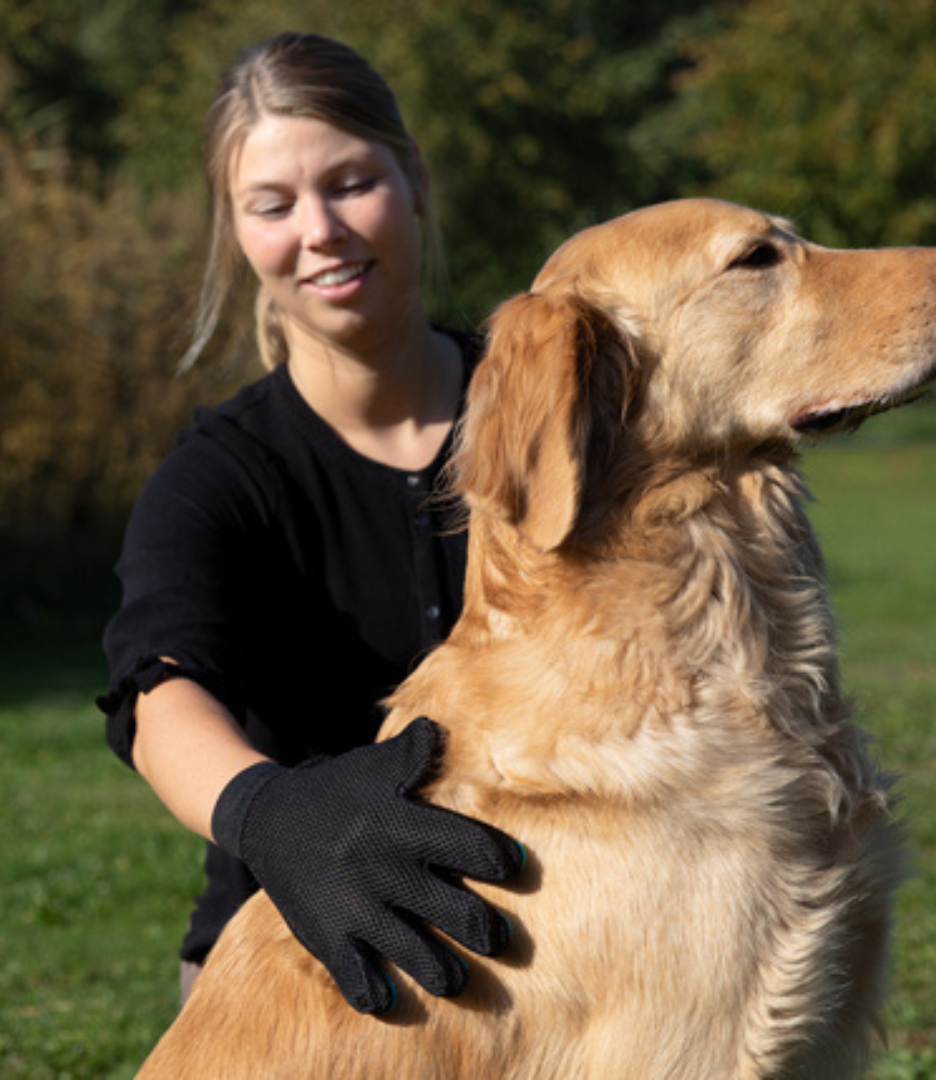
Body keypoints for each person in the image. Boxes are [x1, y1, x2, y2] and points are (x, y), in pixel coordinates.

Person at [96, 31, 524, 1016]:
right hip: (297, 966)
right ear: (238, 232)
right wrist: (276, 814)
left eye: (351, 182)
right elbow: (162, 699)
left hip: (560, 931)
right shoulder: (221, 477)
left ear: (414, 179)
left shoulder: (547, 416)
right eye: (274, 205)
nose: (321, 229)